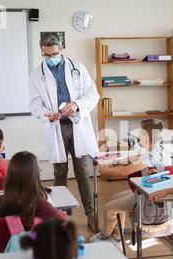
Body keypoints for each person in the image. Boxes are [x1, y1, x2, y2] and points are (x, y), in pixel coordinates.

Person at [29, 33, 100, 230]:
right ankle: (59, 217)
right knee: (60, 173)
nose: (50, 58)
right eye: (46, 55)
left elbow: (93, 94)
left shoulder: (77, 68)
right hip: (56, 127)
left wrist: (76, 104)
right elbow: (35, 105)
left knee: (83, 173)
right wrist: (46, 114)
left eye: (54, 54)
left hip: (78, 126)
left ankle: (92, 215)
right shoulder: (37, 75)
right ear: (42, 52)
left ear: (61, 50)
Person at [91, 119, 173, 246]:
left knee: (109, 208)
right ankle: (118, 236)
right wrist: (114, 161)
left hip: (149, 200)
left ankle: (105, 238)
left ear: (144, 137)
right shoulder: (160, 150)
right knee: (116, 197)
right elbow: (133, 157)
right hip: (157, 193)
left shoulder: (148, 157)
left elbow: (124, 172)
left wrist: (106, 170)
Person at [0, 151, 67, 229]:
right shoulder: (42, 206)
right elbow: (65, 229)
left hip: (10, 241)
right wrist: (59, 216)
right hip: (38, 240)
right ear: (36, 175)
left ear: (9, 175)